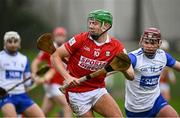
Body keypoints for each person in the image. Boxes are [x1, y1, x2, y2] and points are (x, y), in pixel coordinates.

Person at [50, 9, 134, 117]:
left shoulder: (116, 47)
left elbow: (131, 75)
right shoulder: (80, 39)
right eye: (90, 22)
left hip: (98, 90)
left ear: (106, 26)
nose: (90, 26)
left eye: (95, 23)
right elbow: (55, 56)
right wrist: (67, 77)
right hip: (76, 93)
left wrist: (124, 70)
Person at [125, 27, 180, 117]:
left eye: (153, 43)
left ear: (159, 43)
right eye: (146, 42)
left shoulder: (163, 56)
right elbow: (126, 72)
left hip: (156, 102)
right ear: (141, 42)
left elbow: (178, 66)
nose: (149, 46)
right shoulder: (133, 57)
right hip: (136, 109)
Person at [0, 31, 45, 117]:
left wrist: (32, 79)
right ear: (5, 43)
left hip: (22, 95)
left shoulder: (24, 59)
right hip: (6, 96)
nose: (13, 44)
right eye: (9, 41)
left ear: (19, 43)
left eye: (15, 41)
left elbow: (27, 83)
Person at [31, 27, 72, 117]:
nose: (60, 38)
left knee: (43, 113)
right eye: (58, 35)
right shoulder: (48, 47)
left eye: (62, 36)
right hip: (52, 84)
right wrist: (35, 75)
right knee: (67, 106)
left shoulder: (67, 48)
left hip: (61, 84)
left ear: (65, 37)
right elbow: (35, 62)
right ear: (54, 36)